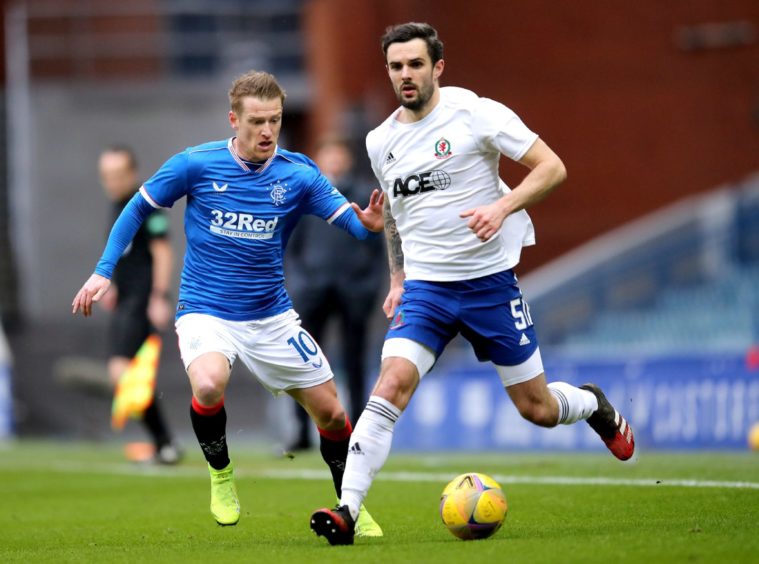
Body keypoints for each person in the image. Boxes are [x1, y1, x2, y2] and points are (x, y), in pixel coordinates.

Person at [310, 22, 636, 545]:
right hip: (427, 291)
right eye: (396, 66)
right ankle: (347, 510)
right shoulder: (380, 140)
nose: (405, 75)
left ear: (437, 67)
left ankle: (593, 404)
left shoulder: (476, 113)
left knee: (538, 410)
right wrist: (397, 277)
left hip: (489, 285)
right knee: (390, 383)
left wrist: (502, 206)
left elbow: (552, 167)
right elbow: (394, 212)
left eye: (415, 64)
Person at [72, 70, 384, 536]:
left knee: (334, 414)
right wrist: (103, 270)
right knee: (209, 384)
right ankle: (221, 474)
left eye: (275, 120)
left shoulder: (298, 174)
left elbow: (353, 226)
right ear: (233, 119)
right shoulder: (195, 164)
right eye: (257, 121)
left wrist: (371, 225)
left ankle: (351, 506)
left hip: (272, 316)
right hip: (205, 309)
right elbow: (137, 207)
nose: (267, 131)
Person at [285, 136, 385, 451]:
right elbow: (290, 246)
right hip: (312, 291)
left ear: (347, 160)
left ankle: (356, 431)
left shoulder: (364, 197)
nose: (334, 163)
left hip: (353, 292)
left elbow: (378, 248)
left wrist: (367, 288)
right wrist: (301, 282)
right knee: (303, 363)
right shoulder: (304, 198)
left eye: (338, 156)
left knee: (355, 363)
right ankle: (301, 432)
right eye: (328, 156)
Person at [97, 146, 180, 464]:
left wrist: (159, 296)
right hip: (126, 299)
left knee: (123, 372)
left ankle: (165, 442)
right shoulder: (117, 206)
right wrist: (115, 285)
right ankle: (164, 443)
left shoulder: (148, 207)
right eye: (107, 176)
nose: (112, 181)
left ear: (132, 173)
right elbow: (127, 254)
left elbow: (162, 252)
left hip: (142, 301)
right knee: (127, 374)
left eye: (118, 175)